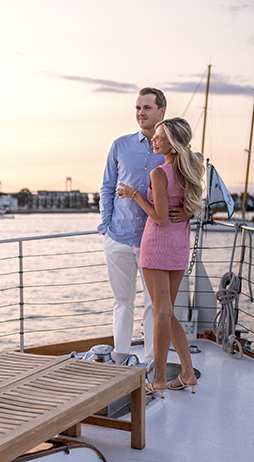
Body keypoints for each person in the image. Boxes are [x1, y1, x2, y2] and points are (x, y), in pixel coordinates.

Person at [116, 117, 203, 395]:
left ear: (173, 146)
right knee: (168, 312)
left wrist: (135, 195)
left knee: (161, 312)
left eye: (160, 137)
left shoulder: (159, 173)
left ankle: (160, 379)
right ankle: (187, 372)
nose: (153, 139)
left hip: (157, 246)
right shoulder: (189, 171)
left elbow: (161, 218)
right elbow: (188, 207)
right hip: (179, 246)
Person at [98, 87, 168, 364]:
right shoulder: (120, 145)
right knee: (122, 303)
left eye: (147, 108)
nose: (141, 113)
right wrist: (106, 227)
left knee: (153, 306)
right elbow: (106, 187)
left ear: (161, 111)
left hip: (154, 241)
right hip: (118, 237)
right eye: (138, 108)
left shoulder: (171, 151)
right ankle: (121, 359)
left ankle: (152, 363)